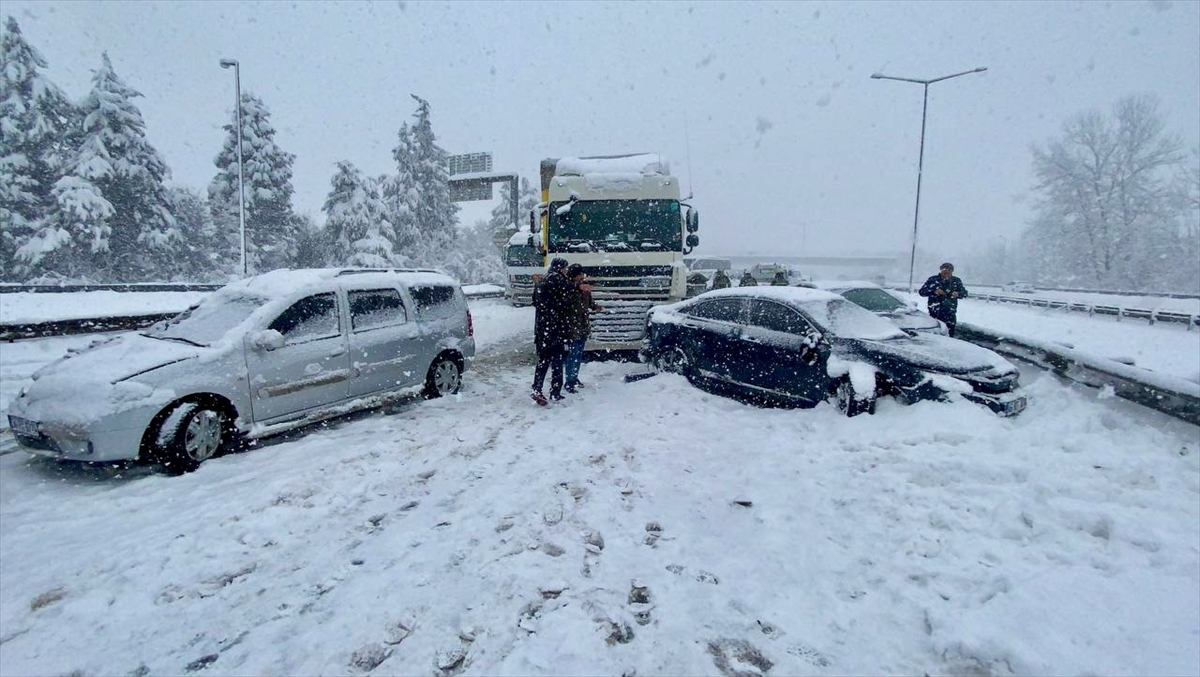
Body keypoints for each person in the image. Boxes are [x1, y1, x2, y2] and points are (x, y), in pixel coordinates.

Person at [531, 257, 574, 405]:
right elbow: (567, 302)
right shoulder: (561, 281)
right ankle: (555, 391)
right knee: (557, 361)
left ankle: (537, 388)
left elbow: (535, 302)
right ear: (560, 268)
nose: (567, 271)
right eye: (566, 268)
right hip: (557, 329)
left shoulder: (542, 282)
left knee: (543, 361)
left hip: (543, 329)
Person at [563, 263, 602, 393]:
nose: (582, 276)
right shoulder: (567, 287)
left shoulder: (583, 287)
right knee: (572, 354)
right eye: (580, 274)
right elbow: (567, 300)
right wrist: (578, 288)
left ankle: (574, 377)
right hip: (572, 326)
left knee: (578, 354)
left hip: (583, 325)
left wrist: (596, 306)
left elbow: (589, 302)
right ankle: (569, 381)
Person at [919, 262, 969, 337]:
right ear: (941, 270)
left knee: (950, 335)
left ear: (952, 271)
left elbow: (965, 293)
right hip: (934, 313)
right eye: (944, 270)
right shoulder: (933, 279)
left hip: (950, 314)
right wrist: (934, 291)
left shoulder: (956, 281)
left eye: (949, 270)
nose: (947, 272)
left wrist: (958, 294)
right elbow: (922, 292)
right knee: (934, 335)